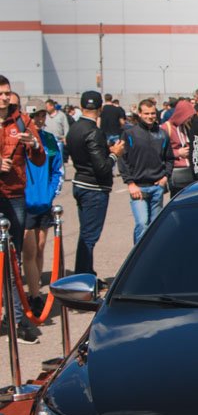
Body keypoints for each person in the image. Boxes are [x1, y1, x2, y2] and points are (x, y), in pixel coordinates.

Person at [0, 82, 46, 343]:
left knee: (11, 259)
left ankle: (16, 319)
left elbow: (40, 158)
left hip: (14, 195)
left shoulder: (22, 121)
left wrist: (34, 145)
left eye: (7, 93)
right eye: (0, 94)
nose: (5, 98)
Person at [66, 90, 125, 278]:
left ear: (81, 106)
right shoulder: (93, 131)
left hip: (80, 182)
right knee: (90, 236)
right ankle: (84, 277)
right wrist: (115, 154)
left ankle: (86, 272)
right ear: (100, 108)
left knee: (86, 234)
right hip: (94, 188)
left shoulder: (74, 128)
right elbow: (102, 167)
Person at [22, 108, 64, 315]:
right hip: (25, 203)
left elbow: (58, 170)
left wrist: (50, 194)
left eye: (41, 115)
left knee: (40, 249)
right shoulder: (21, 139)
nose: (38, 119)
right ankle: (34, 295)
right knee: (29, 252)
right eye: (34, 116)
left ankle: (35, 288)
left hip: (44, 203)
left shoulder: (50, 140)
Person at [119, 98, 173, 244]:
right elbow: (122, 159)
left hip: (157, 186)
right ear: (140, 114)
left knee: (155, 226)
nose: (150, 116)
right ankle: (139, 255)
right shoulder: (130, 134)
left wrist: (165, 177)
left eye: (152, 113)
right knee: (142, 224)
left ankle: (153, 254)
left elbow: (169, 158)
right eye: (146, 113)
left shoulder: (162, 134)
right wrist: (130, 183)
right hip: (138, 188)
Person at [165, 99, 195, 196]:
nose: (189, 119)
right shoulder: (166, 128)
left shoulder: (187, 126)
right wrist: (178, 153)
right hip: (176, 172)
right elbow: (159, 151)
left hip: (189, 171)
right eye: (188, 116)